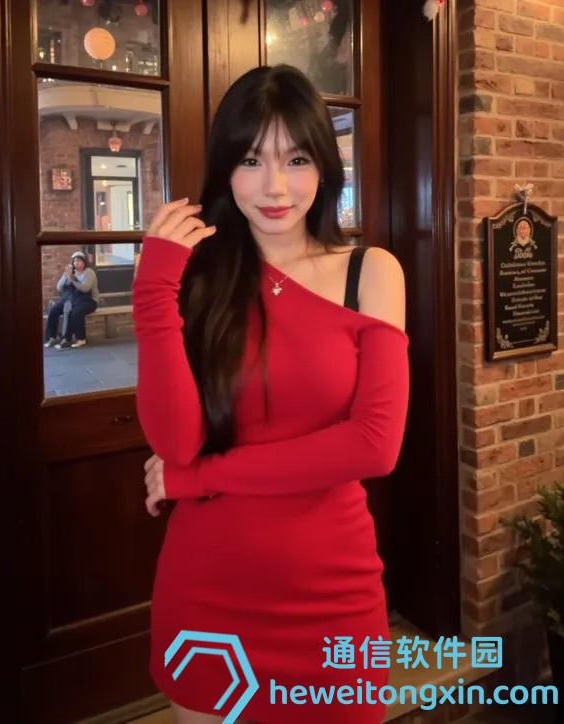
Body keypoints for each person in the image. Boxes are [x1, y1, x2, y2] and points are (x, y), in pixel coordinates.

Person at [133, 65, 409, 724]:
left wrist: (200, 477)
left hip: (332, 595)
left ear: (325, 167)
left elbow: (374, 446)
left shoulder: (371, 273)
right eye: (252, 159)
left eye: (297, 159)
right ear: (227, 169)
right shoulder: (197, 281)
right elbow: (174, 443)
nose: (276, 187)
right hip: (207, 600)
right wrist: (153, 289)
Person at [44, 251, 99, 349]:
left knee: (75, 312)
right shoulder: (70, 272)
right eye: (75, 261)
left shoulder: (89, 272)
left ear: (84, 262)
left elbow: (85, 288)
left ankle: (80, 338)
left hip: (89, 300)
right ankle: (52, 337)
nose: (76, 263)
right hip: (72, 299)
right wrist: (66, 276)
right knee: (53, 310)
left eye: (79, 261)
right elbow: (59, 287)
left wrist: (72, 278)